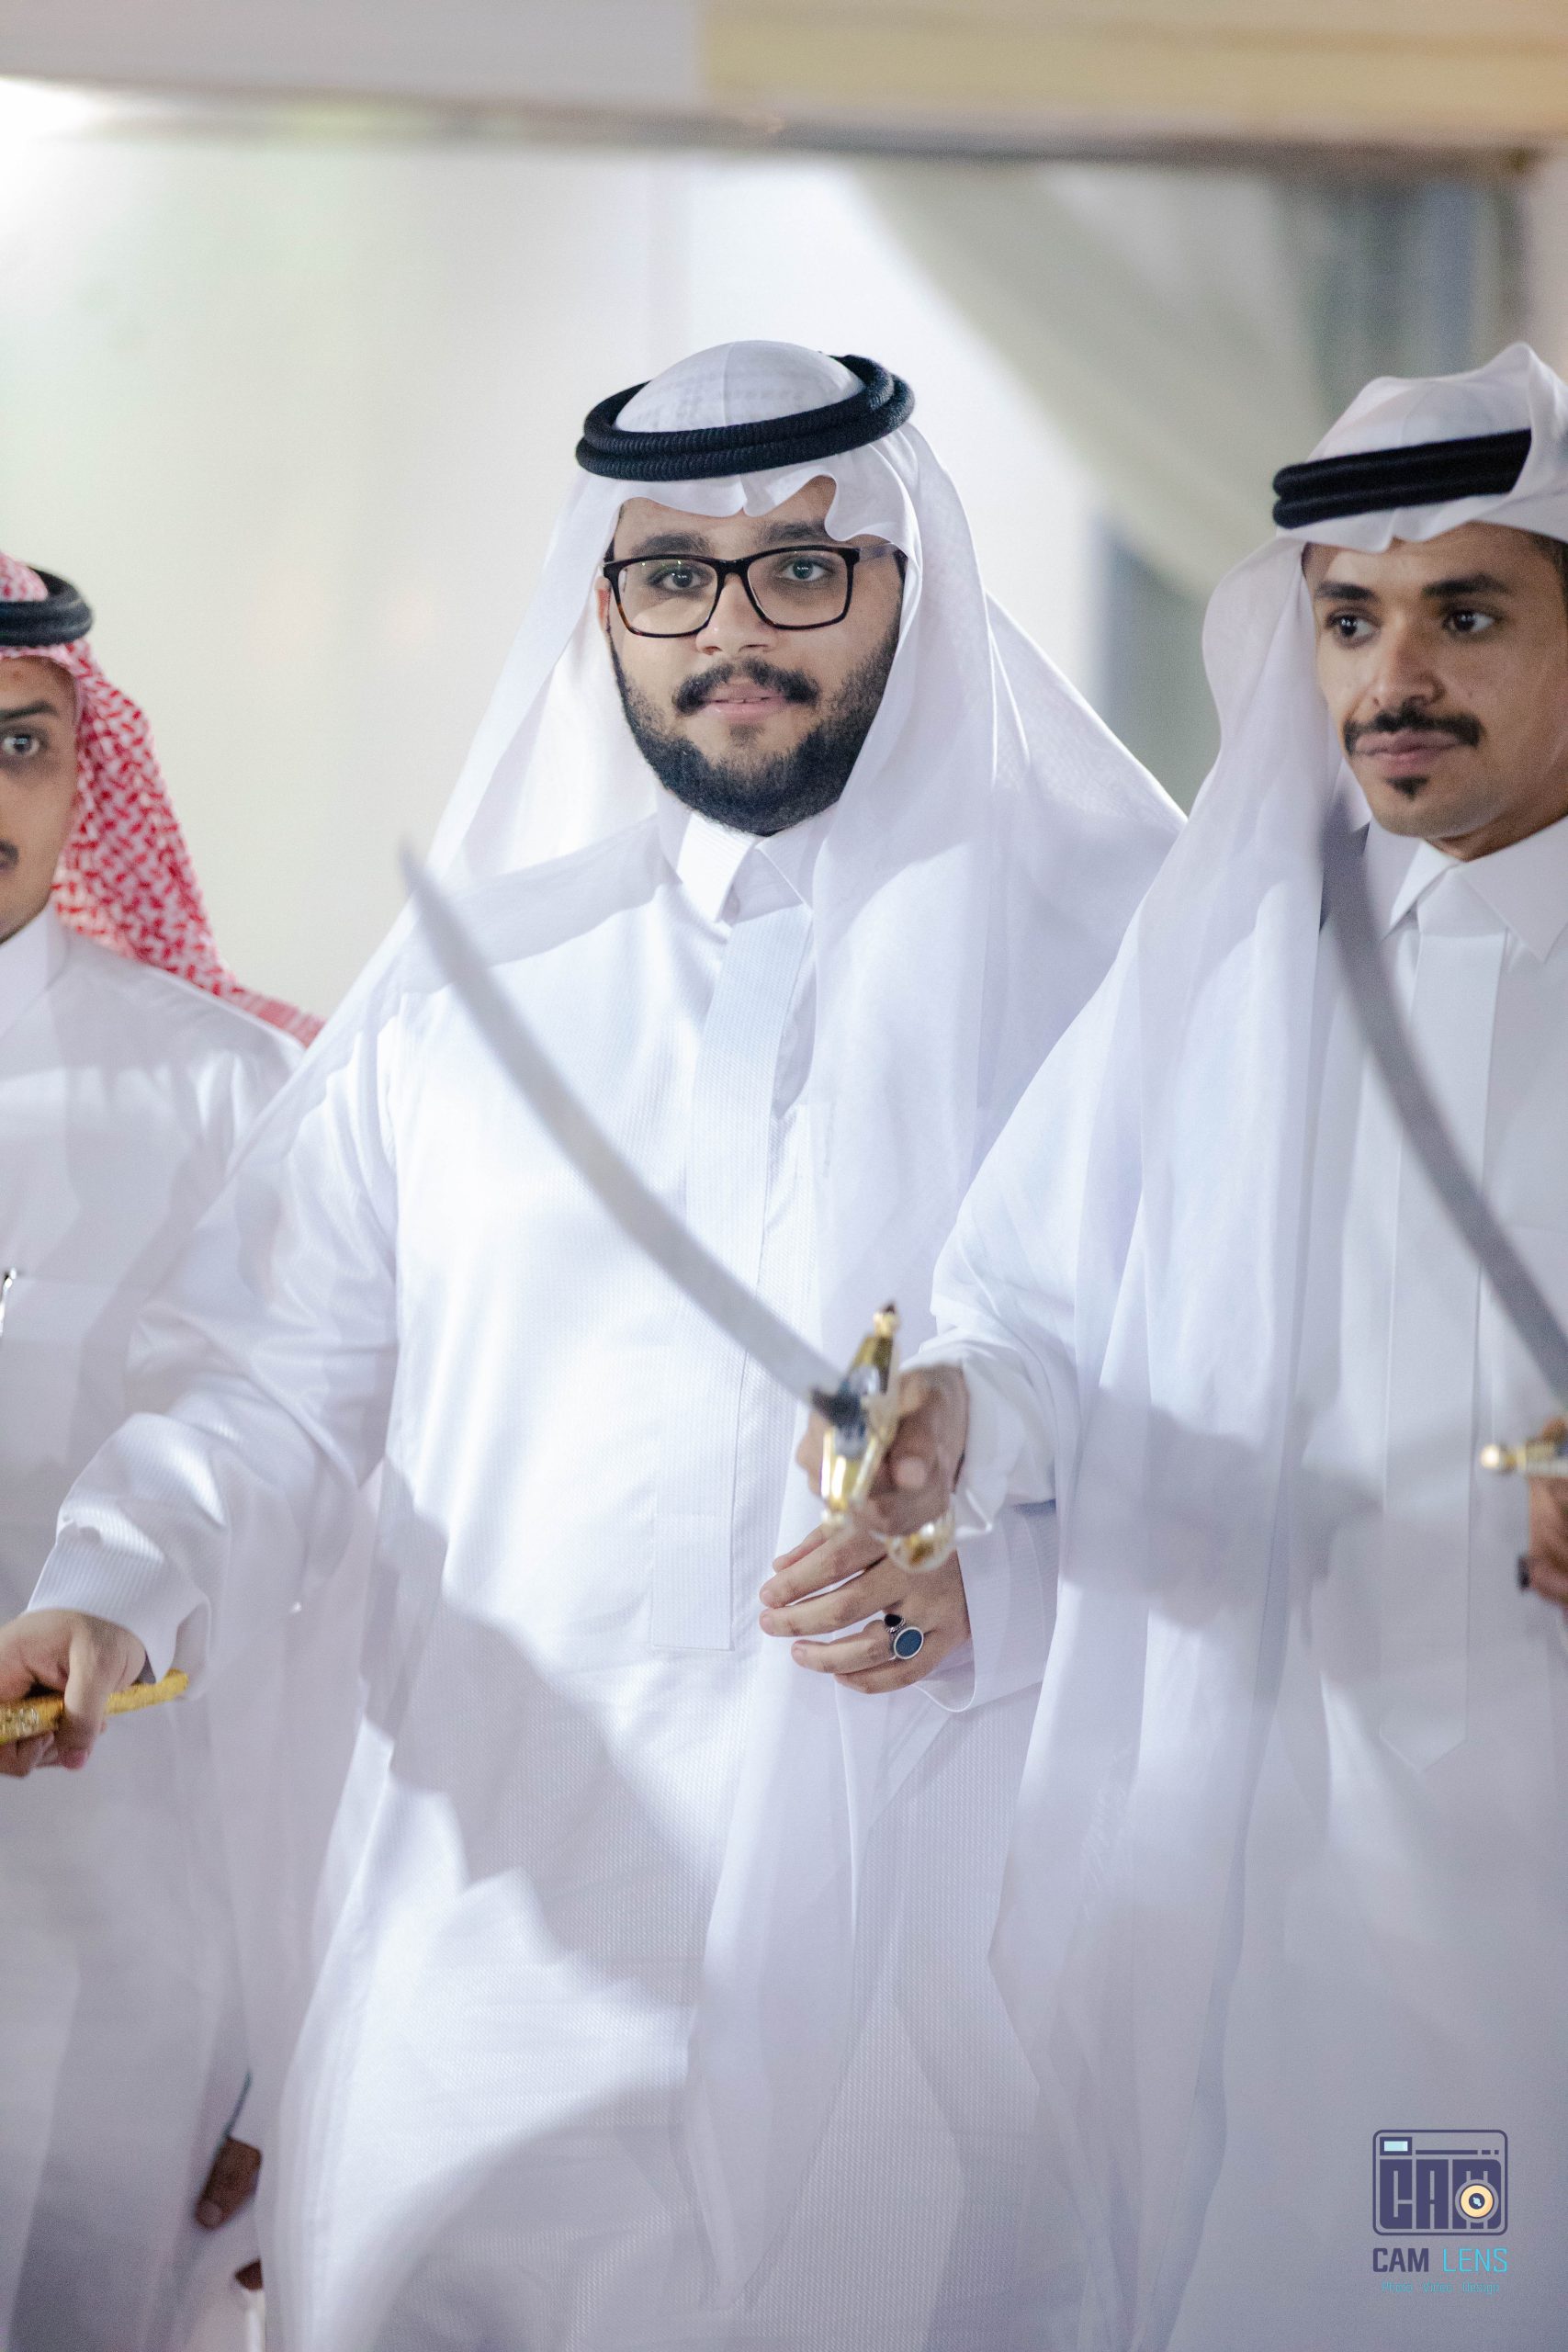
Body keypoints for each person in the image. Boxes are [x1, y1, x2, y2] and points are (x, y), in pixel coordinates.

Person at [0, 343, 1178, 2351]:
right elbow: (272, 1374)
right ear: (602, 605)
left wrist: (1014, 1590)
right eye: (672, 577)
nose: (733, 631)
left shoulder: (1122, 966)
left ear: (912, 583)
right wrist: (116, 1583)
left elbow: (1254, 1405)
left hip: (939, 1917)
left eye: (801, 568)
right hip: (501, 1941)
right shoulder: (476, 989)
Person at [840, 342, 1568, 2350]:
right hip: (1250, 1856)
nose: (1392, 675)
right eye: (1347, 619)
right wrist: (948, 1425)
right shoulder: (1235, 963)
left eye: (1467, 615)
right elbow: (1030, 1311)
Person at [0, 551, 312, 2351]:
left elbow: (331, 1567)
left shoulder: (222, 1092)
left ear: (82, 771)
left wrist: (300, 2032)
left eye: (21, 742)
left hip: (124, 1979)